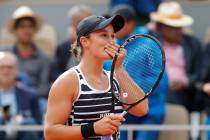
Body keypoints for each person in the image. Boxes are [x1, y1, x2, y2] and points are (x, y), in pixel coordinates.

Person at [44, 15, 148, 140]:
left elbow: (142, 109)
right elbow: (50, 133)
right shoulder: (68, 81)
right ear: (85, 41)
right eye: (104, 35)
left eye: (113, 36)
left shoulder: (116, 77)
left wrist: (119, 69)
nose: (112, 41)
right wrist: (93, 128)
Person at [104, 5, 168, 140]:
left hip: (150, 112)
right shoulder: (109, 46)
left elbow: (162, 82)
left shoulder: (149, 44)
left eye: (119, 23)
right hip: (121, 112)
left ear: (131, 24)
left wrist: (129, 88)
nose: (113, 27)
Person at [150, 1, 203, 112]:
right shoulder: (150, 44)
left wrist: (184, 82)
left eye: (180, 26)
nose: (178, 31)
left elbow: (200, 74)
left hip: (184, 94)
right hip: (155, 92)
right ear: (160, 27)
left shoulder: (193, 44)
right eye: (173, 27)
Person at [1, 6, 51, 98]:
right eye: (22, 26)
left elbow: (44, 88)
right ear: (15, 30)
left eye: (30, 26)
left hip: (33, 103)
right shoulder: (3, 54)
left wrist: (25, 92)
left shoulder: (44, 59)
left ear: (34, 30)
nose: (26, 30)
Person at [0, 51, 41, 140]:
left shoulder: (30, 96)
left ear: (16, 70)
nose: (6, 71)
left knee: (29, 123)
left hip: (22, 134)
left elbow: (39, 127)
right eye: (2, 67)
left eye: (10, 67)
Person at [50, 5, 92, 82]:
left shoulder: (97, 44)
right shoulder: (62, 48)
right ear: (72, 25)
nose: (86, 26)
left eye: (88, 21)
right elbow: (55, 75)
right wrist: (76, 45)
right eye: (80, 22)